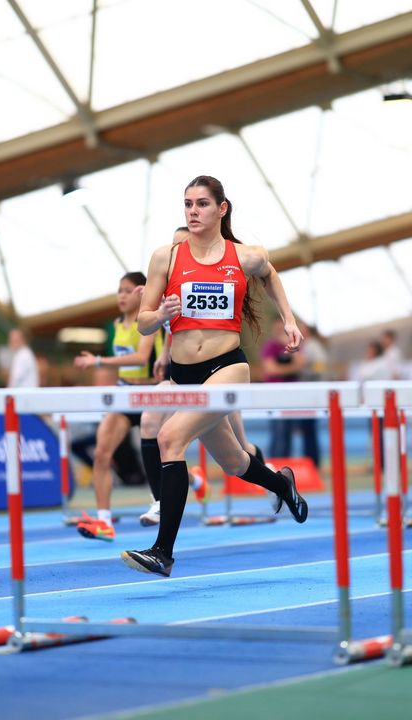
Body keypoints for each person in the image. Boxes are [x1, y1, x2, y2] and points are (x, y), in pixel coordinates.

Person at [120, 175, 308, 577]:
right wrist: (161, 314)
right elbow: (143, 323)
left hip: (227, 368)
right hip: (184, 375)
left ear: (222, 209)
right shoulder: (165, 258)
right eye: (188, 204)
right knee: (234, 462)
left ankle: (163, 552)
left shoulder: (244, 256)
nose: (193, 211)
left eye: (202, 204)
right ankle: (282, 484)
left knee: (169, 437)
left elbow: (270, 274)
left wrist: (289, 320)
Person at [136, 226, 267, 527]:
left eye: (182, 245)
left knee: (239, 451)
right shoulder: (166, 273)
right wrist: (163, 348)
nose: (177, 251)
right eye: (174, 246)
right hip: (184, 374)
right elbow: (165, 326)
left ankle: (274, 481)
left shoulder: (215, 270)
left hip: (222, 371)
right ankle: (162, 500)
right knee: (154, 422)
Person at [71, 271, 163, 542]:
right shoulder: (117, 324)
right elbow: (125, 365)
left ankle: (193, 480)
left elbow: (141, 357)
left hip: (152, 394)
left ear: (142, 292)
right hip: (124, 394)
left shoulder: (151, 320)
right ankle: (104, 521)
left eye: (127, 290)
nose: (121, 296)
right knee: (101, 453)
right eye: (119, 290)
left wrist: (99, 361)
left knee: (168, 457)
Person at [262, 318, 319, 467]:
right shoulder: (270, 347)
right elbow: (271, 369)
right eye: (277, 329)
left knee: (290, 432)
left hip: (293, 396)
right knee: (278, 431)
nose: (280, 332)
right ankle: (275, 466)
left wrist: (289, 346)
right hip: (275, 395)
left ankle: (287, 467)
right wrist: (292, 368)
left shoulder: (294, 346)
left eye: (283, 330)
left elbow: (301, 364)